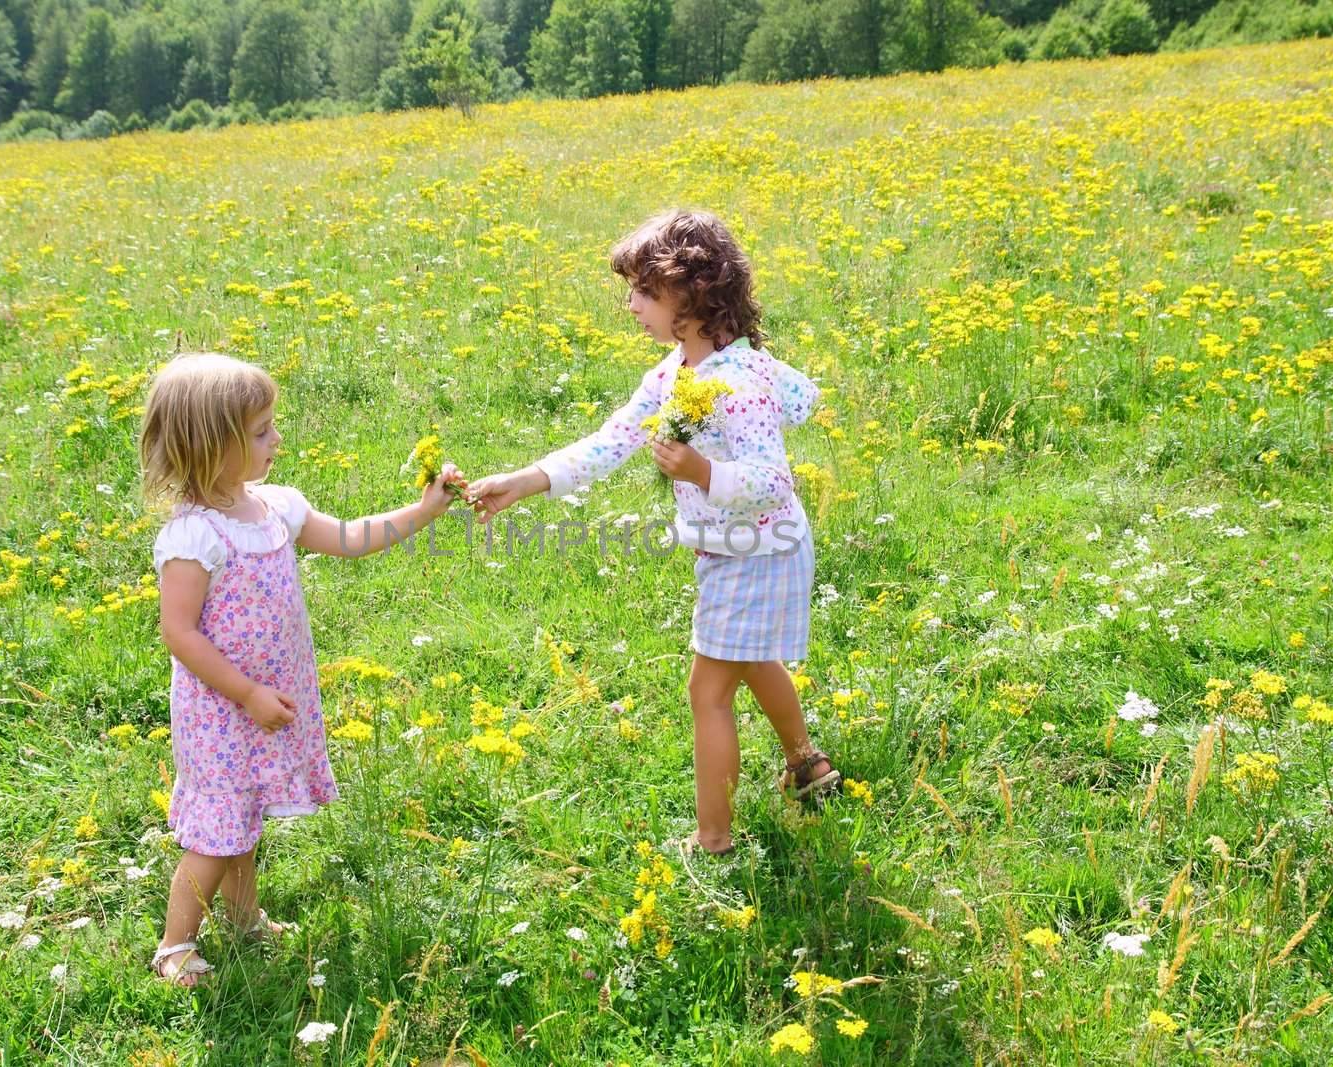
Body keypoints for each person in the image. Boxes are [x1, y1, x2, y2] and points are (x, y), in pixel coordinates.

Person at [465, 210, 838, 857]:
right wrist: (526, 480)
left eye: (642, 290)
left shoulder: (737, 380)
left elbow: (773, 479)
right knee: (748, 660)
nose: (629, 304)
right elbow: (612, 441)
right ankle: (809, 767)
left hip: (755, 550)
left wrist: (702, 470)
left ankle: (714, 839)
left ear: (689, 294)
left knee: (707, 690)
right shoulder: (676, 374)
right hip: (743, 547)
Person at [139, 351, 464, 984]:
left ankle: (243, 917)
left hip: (267, 699)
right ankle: (175, 945)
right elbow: (178, 633)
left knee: (246, 817)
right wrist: (248, 692)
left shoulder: (276, 508)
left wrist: (423, 512)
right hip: (222, 708)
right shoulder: (193, 537)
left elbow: (349, 537)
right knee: (215, 833)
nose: (276, 439)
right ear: (213, 444)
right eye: (261, 432)